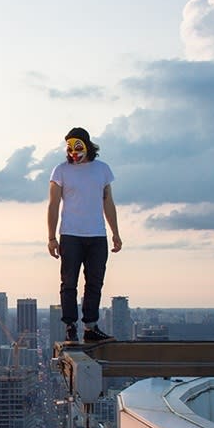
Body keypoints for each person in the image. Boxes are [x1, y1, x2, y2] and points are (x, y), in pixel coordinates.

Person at [47, 127, 122, 343]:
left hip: (98, 235)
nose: (73, 153)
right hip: (70, 234)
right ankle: (70, 327)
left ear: (87, 145)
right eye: (69, 148)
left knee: (95, 283)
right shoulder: (60, 171)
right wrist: (51, 237)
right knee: (69, 283)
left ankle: (90, 327)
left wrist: (116, 233)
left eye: (77, 147)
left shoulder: (102, 170)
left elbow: (108, 202)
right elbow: (53, 205)